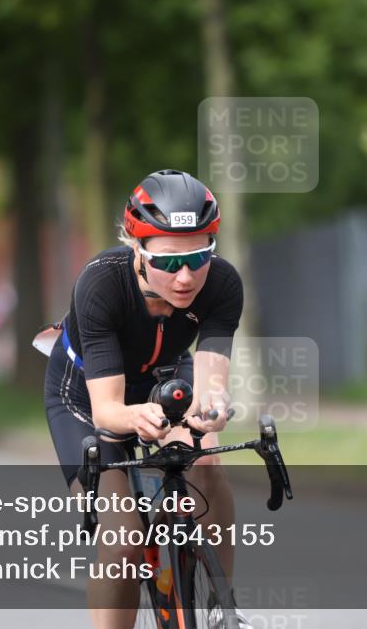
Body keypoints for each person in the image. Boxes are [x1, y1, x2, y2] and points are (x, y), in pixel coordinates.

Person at [43, 169, 246, 628]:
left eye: (198, 257)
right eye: (169, 262)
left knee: (208, 462)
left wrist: (212, 408)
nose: (186, 277)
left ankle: (223, 608)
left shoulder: (223, 284)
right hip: (87, 395)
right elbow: (109, 411)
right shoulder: (101, 283)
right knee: (124, 544)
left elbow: (211, 382)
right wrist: (137, 419)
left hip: (164, 377)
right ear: (137, 248)